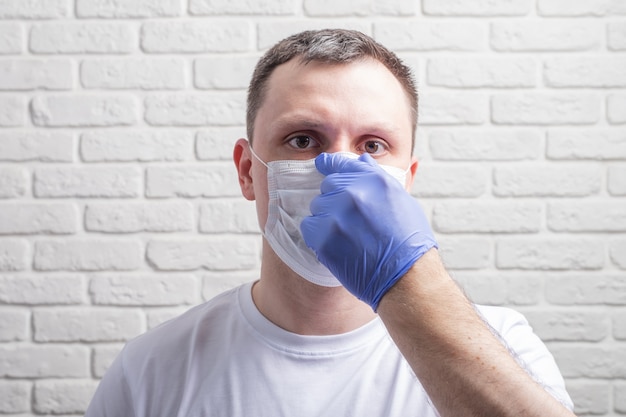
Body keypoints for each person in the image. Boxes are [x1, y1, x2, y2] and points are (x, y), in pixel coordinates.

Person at [85, 29, 575, 417]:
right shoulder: (151, 369)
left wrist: (412, 277)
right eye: (303, 140)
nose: (342, 173)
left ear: (405, 181)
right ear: (246, 170)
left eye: (372, 146)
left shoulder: (503, 347)